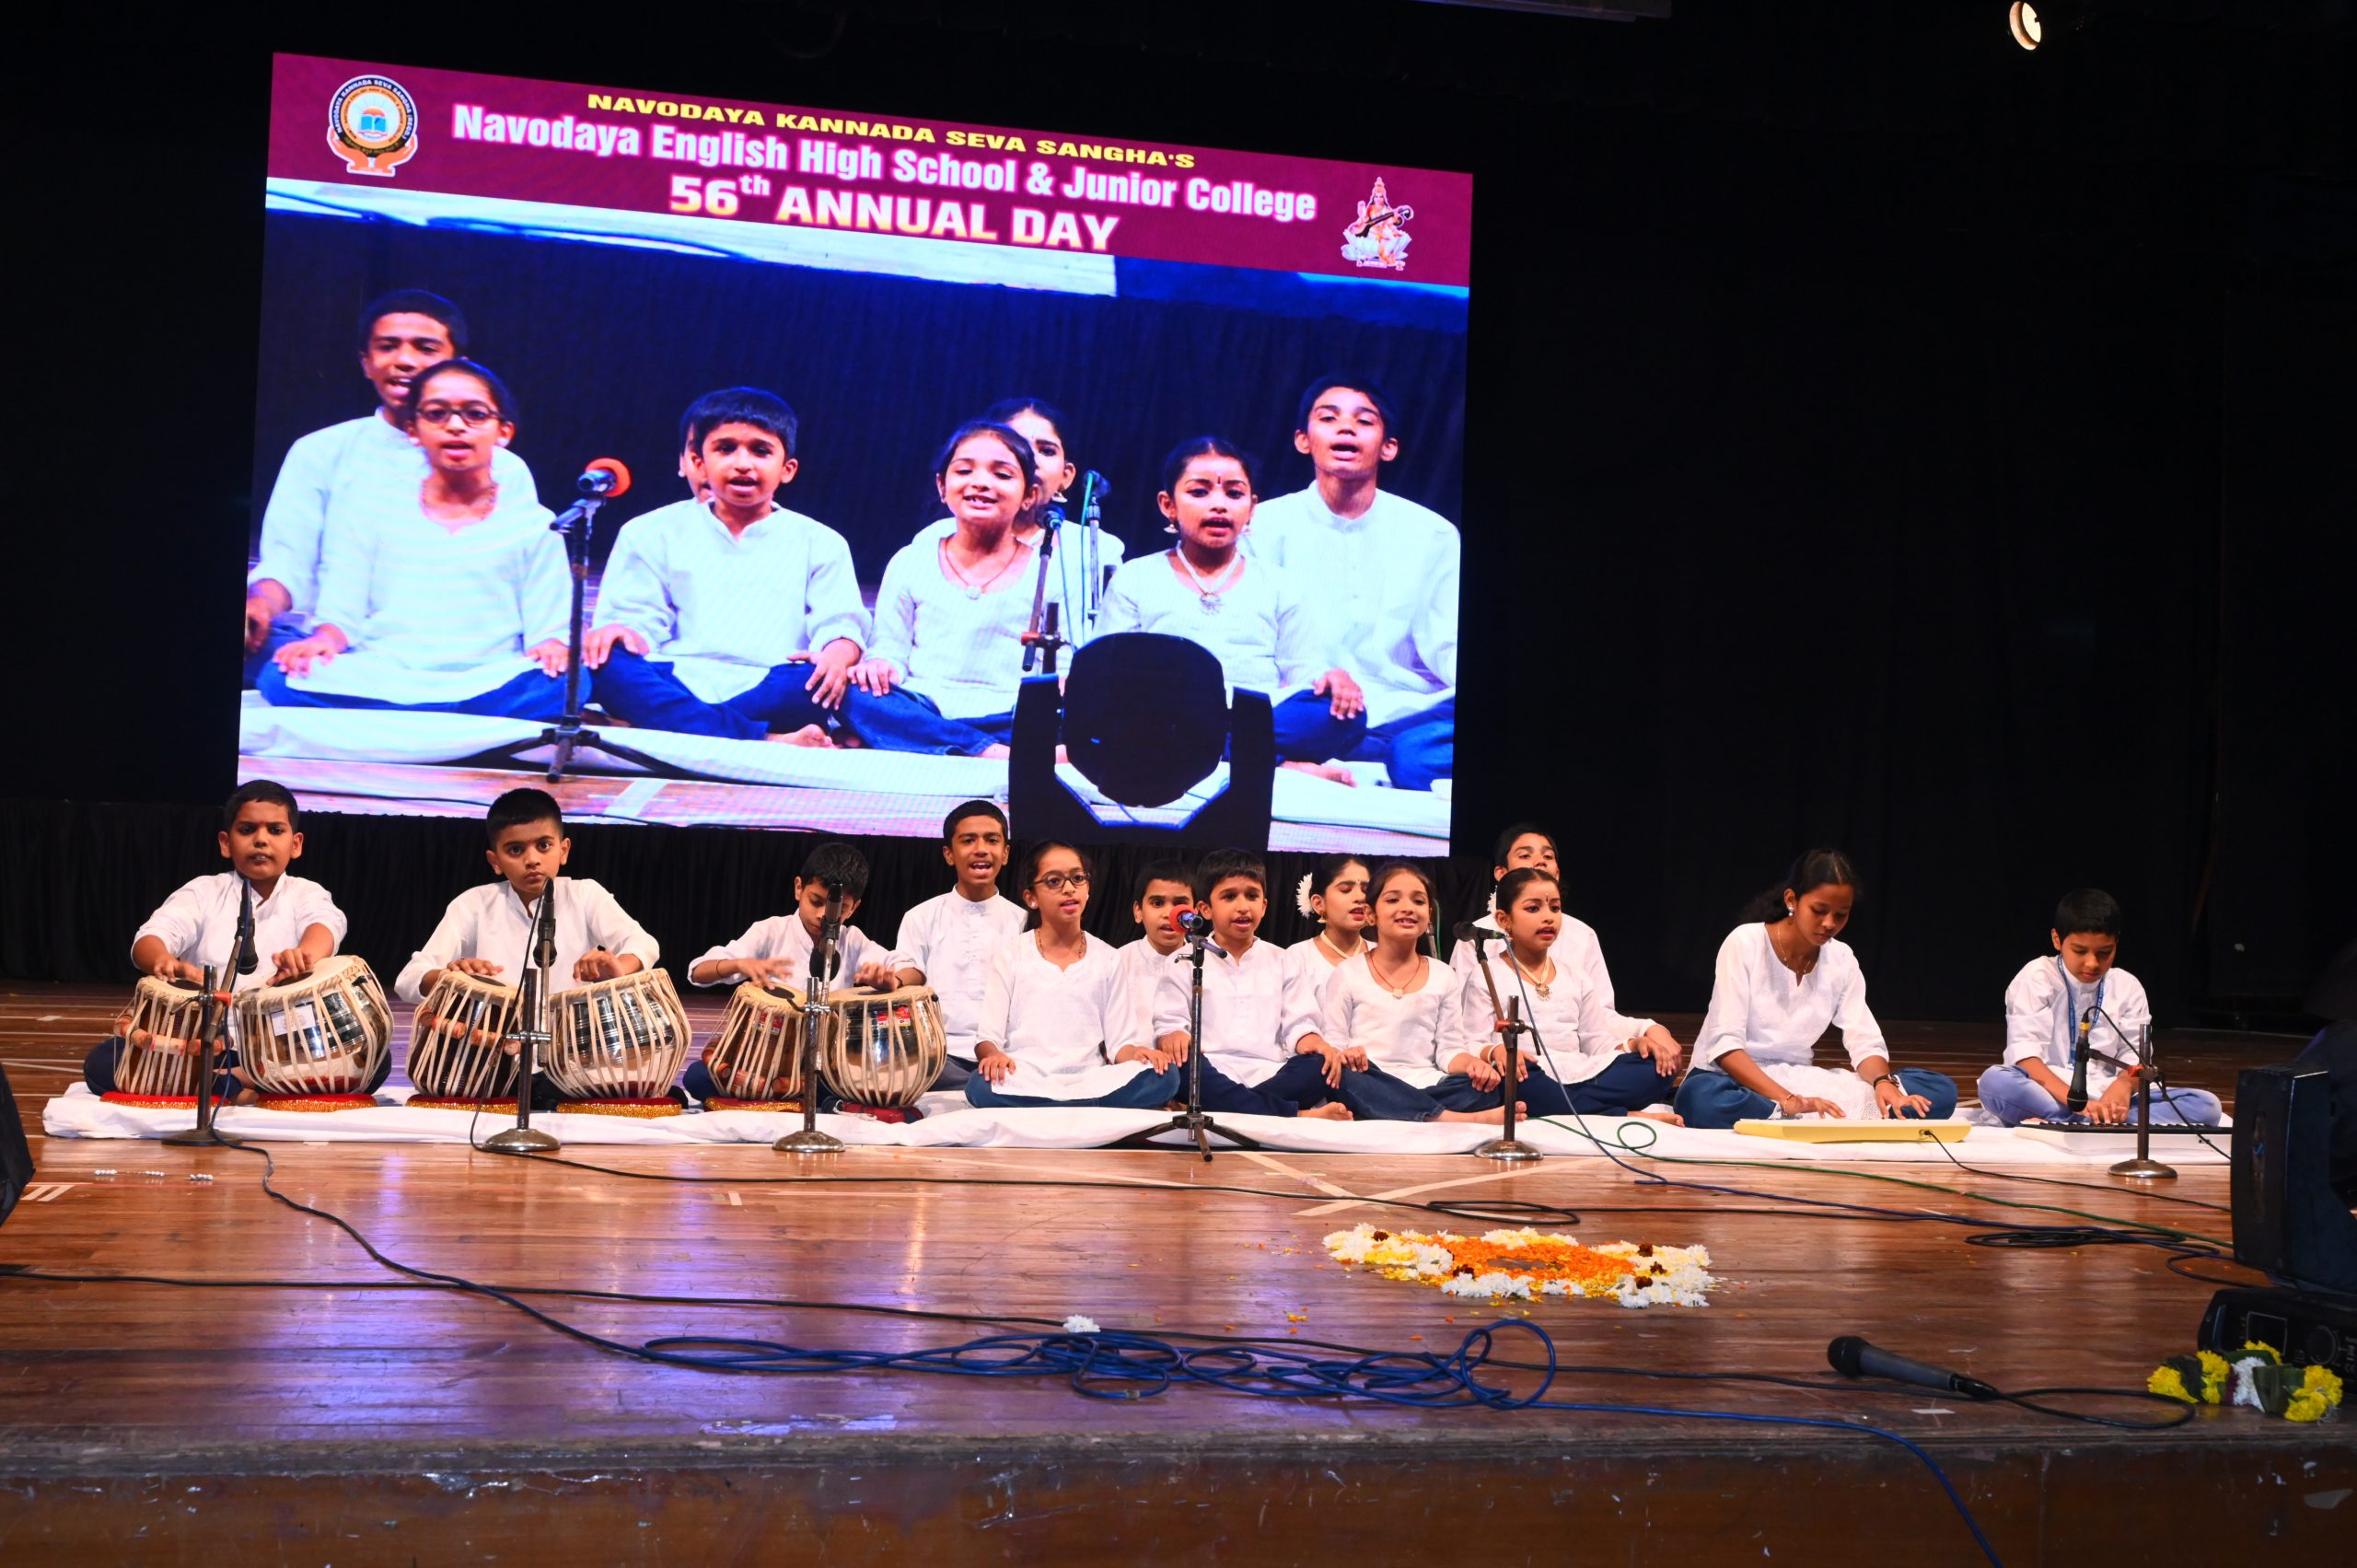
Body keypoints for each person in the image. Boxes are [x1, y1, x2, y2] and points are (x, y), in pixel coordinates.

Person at [244, 290, 540, 684]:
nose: (404, 360)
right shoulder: (320, 452)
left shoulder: (504, 467)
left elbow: (526, 574)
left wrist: (545, 643)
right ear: (366, 363)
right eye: (387, 347)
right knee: (271, 656)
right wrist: (259, 606)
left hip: (472, 656)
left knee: (561, 677)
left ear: (459, 366)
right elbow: (288, 562)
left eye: (425, 348)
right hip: (340, 648)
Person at [259, 360, 569, 718]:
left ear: (503, 432)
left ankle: (397, 716)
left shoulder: (535, 524)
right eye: (437, 414)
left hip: (490, 675)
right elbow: (342, 608)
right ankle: (456, 716)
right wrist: (324, 640)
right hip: (380, 671)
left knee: (564, 683)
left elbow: (547, 627)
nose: (455, 426)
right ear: (413, 430)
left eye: (475, 414)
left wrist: (551, 646)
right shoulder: (369, 508)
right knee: (280, 676)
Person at [585, 388, 867, 746]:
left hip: (770, 683)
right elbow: (635, 619)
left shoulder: (822, 541)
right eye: (726, 448)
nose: (743, 463)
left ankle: (658, 727)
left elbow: (840, 623)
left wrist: (838, 654)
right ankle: (764, 740)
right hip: (676, 678)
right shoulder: (649, 531)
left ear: (787, 469)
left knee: (814, 682)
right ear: (699, 463)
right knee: (608, 663)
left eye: (760, 451)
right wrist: (623, 633)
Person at [1096, 437, 1365, 774]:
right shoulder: (1136, 577)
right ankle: (1274, 762)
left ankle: (1217, 752)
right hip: (1167, 713)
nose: (1219, 505)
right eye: (1200, 492)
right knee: (1121, 714)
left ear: (1252, 508)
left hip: (1257, 713)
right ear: (1168, 505)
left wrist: (1330, 679)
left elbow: (1302, 670)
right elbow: (1107, 669)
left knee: (1343, 714)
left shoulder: (1281, 584)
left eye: (1234, 494)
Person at [1245, 374, 1457, 790]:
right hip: (1310, 709)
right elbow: (1253, 639)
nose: (1346, 429)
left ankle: (1306, 756)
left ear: (1388, 447)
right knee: (1268, 716)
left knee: (1418, 748)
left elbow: (1449, 642)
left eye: (1364, 421)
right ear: (1303, 440)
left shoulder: (1433, 534)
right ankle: (1311, 753)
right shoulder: (1263, 525)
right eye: (1329, 418)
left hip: (1407, 712)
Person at [83, 782, 353, 1099]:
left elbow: (326, 925)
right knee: (102, 1063)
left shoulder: (306, 893)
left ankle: (224, 1083)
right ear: (226, 843)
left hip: (286, 1047)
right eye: (247, 830)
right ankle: (240, 1084)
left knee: (370, 1061)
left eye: (275, 830)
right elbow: (150, 937)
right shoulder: (204, 891)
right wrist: (163, 960)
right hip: (207, 1045)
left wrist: (304, 954)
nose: (261, 839)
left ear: (296, 844)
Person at [393, 788, 660, 1105]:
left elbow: (643, 943)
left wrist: (617, 966)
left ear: (563, 850)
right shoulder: (474, 904)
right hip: (490, 1060)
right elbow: (409, 978)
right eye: (516, 850)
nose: (532, 859)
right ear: (495, 861)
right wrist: (452, 978)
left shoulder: (585, 895)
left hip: (573, 1059)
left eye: (544, 846)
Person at [1675, 850, 1958, 1129]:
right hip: (1732, 1078)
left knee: (1939, 1091)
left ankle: (1800, 1114)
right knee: (1700, 1099)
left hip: (1797, 1078)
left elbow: (1864, 1040)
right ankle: (1796, 1112)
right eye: (1819, 911)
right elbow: (1725, 1046)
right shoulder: (1745, 943)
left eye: (1841, 915)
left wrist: (1884, 1084)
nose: (1829, 924)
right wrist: (1788, 1099)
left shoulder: (1841, 958)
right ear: (1791, 900)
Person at [842, 423, 1074, 756]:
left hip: (1009, 714)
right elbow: (890, 649)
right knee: (852, 693)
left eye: (1002, 475)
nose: (980, 482)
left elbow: (1063, 670)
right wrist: (879, 666)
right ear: (942, 485)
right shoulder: (911, 560)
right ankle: (989, 752)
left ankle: (926, 741)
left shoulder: (1050, 570)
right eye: (964, 471)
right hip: (923, 705)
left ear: (1029, 496)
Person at [1318, 863, 1560, 1123]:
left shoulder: (1443, 975)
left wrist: (1472, 1064)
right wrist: (1347, 1054)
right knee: (1345, 1079)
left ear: (1429, 914)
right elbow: (1334, 1046)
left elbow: (1448, 1050)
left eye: (1418, 901)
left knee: (1485, 1087)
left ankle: (1402, 1111)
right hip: (1370, 1076)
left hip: (1427, 1081)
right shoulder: (1347, 973)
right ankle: (1449, 1119)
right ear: (1370, 914)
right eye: (1393, 900)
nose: (1408, 908)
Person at [682, 841, 908, 1104]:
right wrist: (740, 964)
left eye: (839, 909)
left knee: (870, 1080)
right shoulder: (771, 931)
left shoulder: (853, 940)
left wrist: (893, 979)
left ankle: (778, 1096)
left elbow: (911, 969)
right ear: (799, 888)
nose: (823, 915)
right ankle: (805, 1098)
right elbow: (698, 971)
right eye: (816, 901)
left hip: (826, 1064)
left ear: (854, 908)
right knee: (697, 1077)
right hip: (764, 1058)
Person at [1978, 889, 2223, 1126]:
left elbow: (2137, 1060)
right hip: (2050, 1092)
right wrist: (2077, 1103)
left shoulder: (2128, 986)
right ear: (2057, 940)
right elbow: (2025, 1058)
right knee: (1995, 1083)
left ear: (2116, 942)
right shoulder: (2037, 976)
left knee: (2206, 1105)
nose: (2092, 963)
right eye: (2080, 951)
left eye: (2105, 952)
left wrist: (2123, 1086)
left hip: (2109, 1097)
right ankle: (2094, 1121)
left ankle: (2080, 1122)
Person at [966, 842, 1183, 1109]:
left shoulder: (1108, 957)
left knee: (1165, 1076)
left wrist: (1140, 1054)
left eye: (1078, 878)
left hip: (1092, 1079)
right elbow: (987, 1039)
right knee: (979, 1085)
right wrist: (993, 1056)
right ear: (1031, 897)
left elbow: (1120, 1045)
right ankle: (1085, 1108)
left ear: (1088, 889)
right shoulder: (1012, 954)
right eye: (1054, 881)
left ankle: (1051, 1109)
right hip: (1026, 1076)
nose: (1069, 888)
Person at [1449, 823, 1684, 1066]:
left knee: (1650, 1067)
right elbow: (1462, 1026)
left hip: (1578, 1063)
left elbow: (1599, 1021)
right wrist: (1494, 1053)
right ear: (1501, 873)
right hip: (1510, 1067)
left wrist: (1645, 1031)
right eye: (1525, 855)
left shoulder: (1582, 935)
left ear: (1557, 873)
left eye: (1547, 856)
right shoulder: (1476, 937)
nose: (1539, 862)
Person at [1458, 867, 1680, 1122]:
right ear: (1504, 919)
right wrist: (1496, 1051)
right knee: (1516, 1083)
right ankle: (1624, 1114)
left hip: (1581, 1071)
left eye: (1555, 908)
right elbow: (1471, 1043)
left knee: (1657, 1069)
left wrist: (1635, 1044)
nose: (1548, 917)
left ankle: (1574, 1107)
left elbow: (1598, 1044)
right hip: (1528, 1073)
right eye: (1533, 908)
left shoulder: (1576, 976)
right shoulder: (1487, 975)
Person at [1148, 848, 1353, 1121]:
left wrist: (1314, 1041)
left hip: (1272, 1073)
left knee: (1321, 1065)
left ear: (1264, 906)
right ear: (1205, 909)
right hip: (1210, 1071)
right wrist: (1172, 1035)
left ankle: (1227, 1109)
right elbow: (1169, 1023)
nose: (1243, 906)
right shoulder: (1184, 960)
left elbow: (1300, 1024)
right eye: (1229, 896)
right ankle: (1295, 1115)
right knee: (1181, 1067)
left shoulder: (1284, 960)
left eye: (1252, 896)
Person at [888, 800, 1028, 1087]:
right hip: (938, 1058)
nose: (981, 849)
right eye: (968, 840)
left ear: (1005, 854)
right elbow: (910, 969)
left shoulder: (1024, 922)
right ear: (949, 854)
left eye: (992, 840)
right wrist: (894, 981)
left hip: (1008, 1058)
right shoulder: (921, 917)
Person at [1282, 854, 1373, 1016]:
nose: (1360, 898)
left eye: (1366, 890)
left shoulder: (1383, 954)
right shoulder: (1299, 957)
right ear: (1319, 903)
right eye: (1346, 890)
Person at [1119, 859, 1196, 1043]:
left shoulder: (1208, 962)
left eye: (1179, 903)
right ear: (1138, 911)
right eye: (1157, 903)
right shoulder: (1118, 962)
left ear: (1195, 912)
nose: (1169, 914)